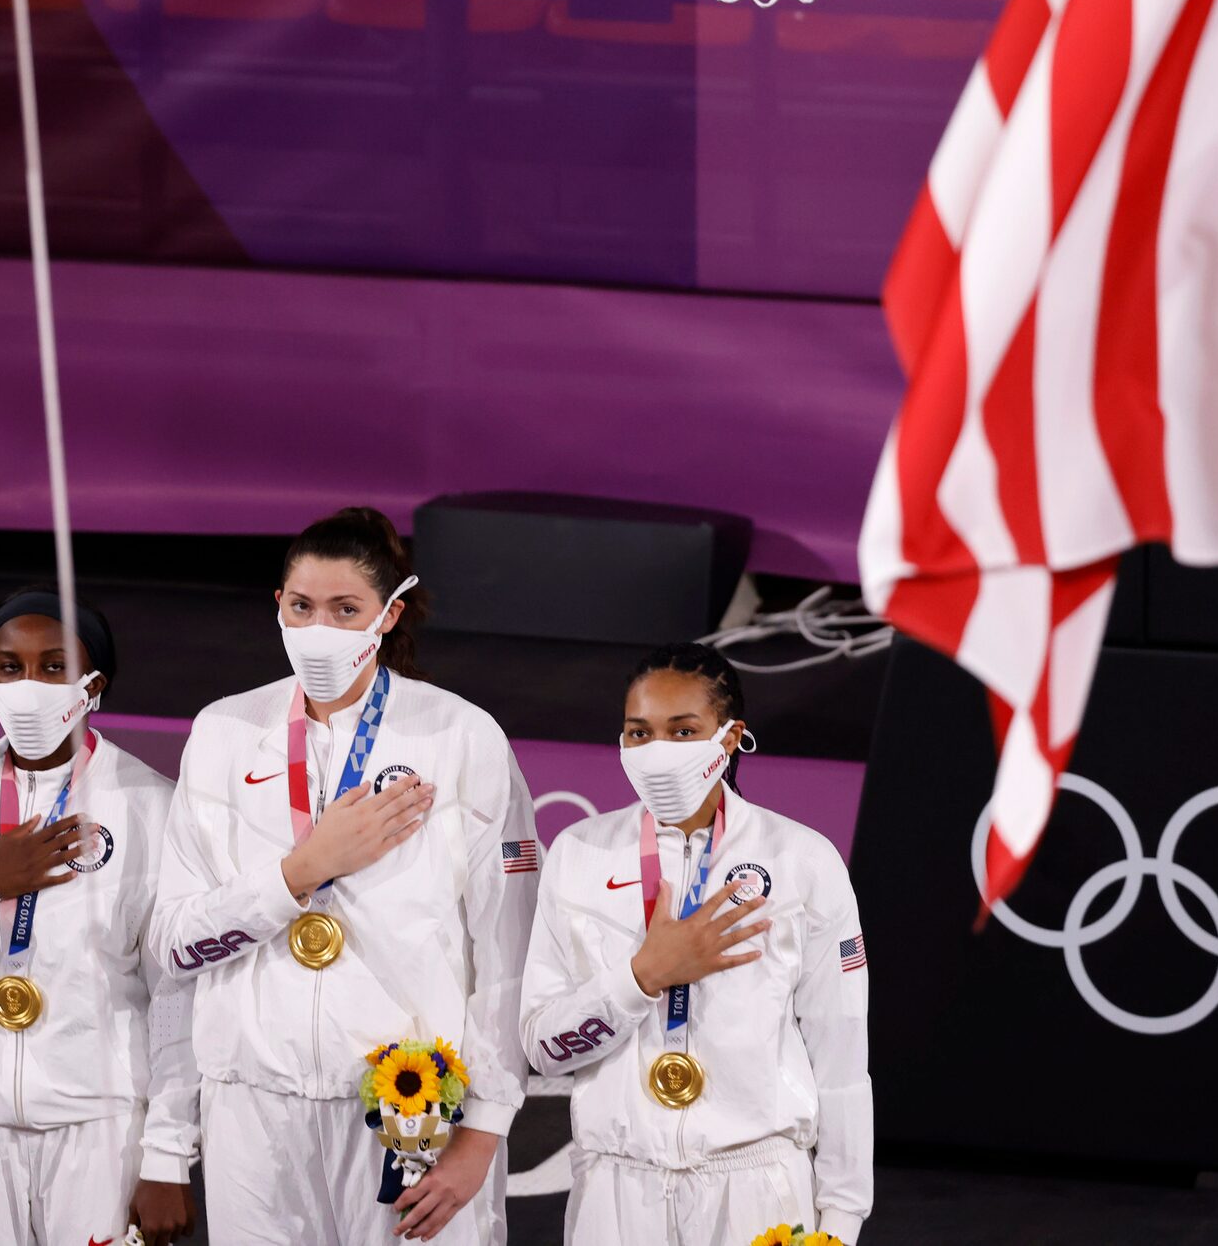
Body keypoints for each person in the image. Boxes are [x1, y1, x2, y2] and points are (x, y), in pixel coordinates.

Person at [152, 507, 538, 1245]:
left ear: (388, 615)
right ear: (277, 607)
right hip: (248, 1111)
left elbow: (509, 955)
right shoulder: (223, 732)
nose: (319, 630)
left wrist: (482, 1132)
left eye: (344, 609)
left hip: (408, 1110)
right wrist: (300, 872)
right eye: (301, 607)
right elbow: (174, 944)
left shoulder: (458, 735)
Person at [519, 642, 872, 1245]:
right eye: (639, 733)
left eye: (683, 732)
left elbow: (840, 1058)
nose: (658, 753)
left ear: (730, 737)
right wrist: (639, 980)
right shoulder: (578, 855)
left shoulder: (801, 860)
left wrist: (840, 1216)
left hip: (757, 1186)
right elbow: (544, 1048)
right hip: (614, 1189)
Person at [0, 589, 199, 1246]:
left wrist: (168, 1157)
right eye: (9, 667)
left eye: (53, 667)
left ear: (95, 685)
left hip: (101, 1129)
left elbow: (175, 995)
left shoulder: (150, 804)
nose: (27, 686)